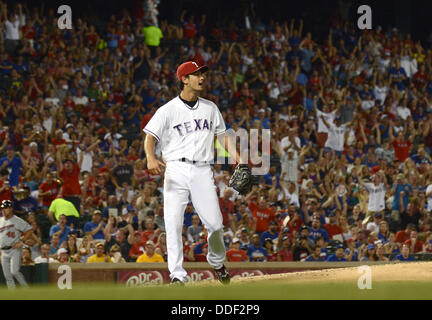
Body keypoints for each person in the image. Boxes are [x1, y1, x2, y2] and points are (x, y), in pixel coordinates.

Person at [143, 61, 243, 285]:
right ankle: (177, 275)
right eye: (196, 74)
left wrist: (240, 159)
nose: (202, 78)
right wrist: (150, 157)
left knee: (216, 223)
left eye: (202, 74)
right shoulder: (167, 110)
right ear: (184, 79)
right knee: (173, 223)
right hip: (175, 168)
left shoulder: (210, 107)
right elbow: (150, 137)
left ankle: (217, 262)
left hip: (202, 169)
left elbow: (223, 136)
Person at [0, 200, 34, 289]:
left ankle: (26, 289)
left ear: (11, 209)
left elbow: (29, 230)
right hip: (3, 251)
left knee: (14, 272)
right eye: (2, 208)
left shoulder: (16, 220)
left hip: (14, 249)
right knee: (7, 276)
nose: (3, 210)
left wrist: (22, 242)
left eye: (6, 208)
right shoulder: (0, 220)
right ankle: (13, 295)